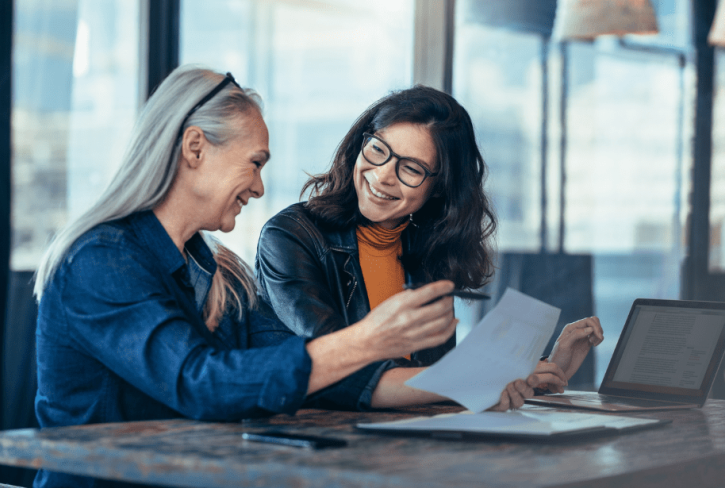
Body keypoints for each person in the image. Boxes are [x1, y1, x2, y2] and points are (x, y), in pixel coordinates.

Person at [31, 67, 543, 488]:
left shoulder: (220, 272)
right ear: (194, 148)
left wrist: (480, 384)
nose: (257, 187)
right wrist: (369, 340)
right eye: (254, 164)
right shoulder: (100, 260)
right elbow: (199, 384)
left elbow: (297, 372)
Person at [255, 85, 604, 408]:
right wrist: (479, 380)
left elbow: (436, 379)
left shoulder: (429, 251)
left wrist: (540, 371)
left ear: (439, 188)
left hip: (407, 442)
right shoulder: (291, 236)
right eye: (378, 149)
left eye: (412, 168)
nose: (383, 175)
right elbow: (337, 366)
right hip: (321, 444)